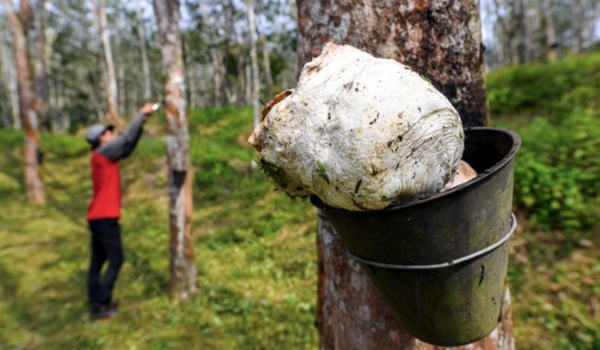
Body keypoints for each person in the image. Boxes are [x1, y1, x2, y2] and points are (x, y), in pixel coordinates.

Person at [84, 103, 156, 320]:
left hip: (97, 217)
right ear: (101, 139)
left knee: (98, 261)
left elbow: (128, 146)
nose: (111, 134)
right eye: (107, 132)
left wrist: (141, 122)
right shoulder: (103, 152)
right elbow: (125, 141)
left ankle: (95, 301)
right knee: (116, 259)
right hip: (105, 217)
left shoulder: (104, 155)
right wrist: (140, 114)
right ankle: (102, 304)